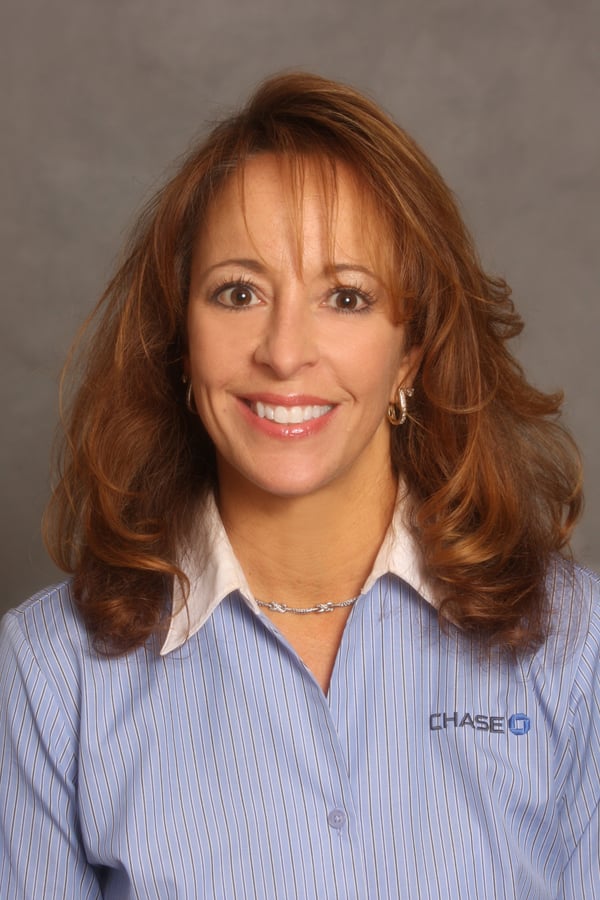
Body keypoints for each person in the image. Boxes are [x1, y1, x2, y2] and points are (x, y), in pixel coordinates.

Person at [0, 72, 598, 899]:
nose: (284, 353)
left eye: (345, 297)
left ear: (412, 354)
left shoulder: (577, 647)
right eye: (238, 292)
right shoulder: (46, 673)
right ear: (181, 338)